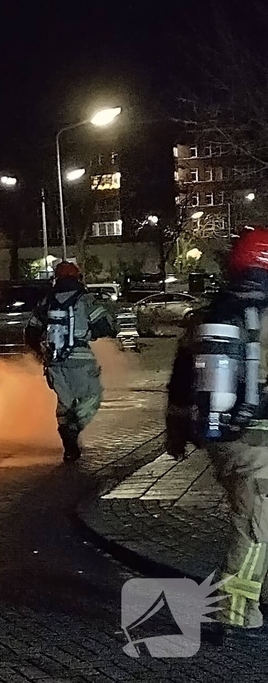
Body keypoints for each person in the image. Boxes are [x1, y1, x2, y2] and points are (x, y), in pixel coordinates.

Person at [167, 228, 268, 641]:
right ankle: (232, 608)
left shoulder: (207, 315)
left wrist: (175, 434)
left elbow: (179, 383)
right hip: (258, 439)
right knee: (256, 527)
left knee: (258, 518)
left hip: (223, 437)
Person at [26, 261, 117, 462]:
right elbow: (105, 326)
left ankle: (69, 446)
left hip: (54, 361)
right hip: (80, 359)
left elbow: (31, 332)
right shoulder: (85, 300)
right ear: (78, 278)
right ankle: (73, 428)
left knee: (64, 402)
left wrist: (41, 354)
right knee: (91, 396)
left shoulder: (46, 302)